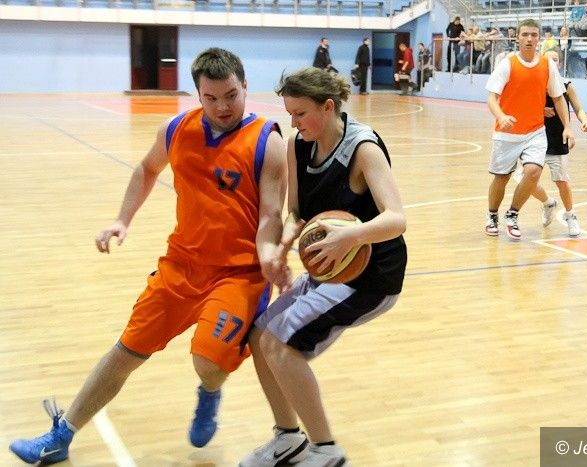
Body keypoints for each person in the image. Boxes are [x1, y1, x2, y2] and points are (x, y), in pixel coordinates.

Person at [9, 47, 289, 464]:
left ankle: (209, 392)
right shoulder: (176, 130)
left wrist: (268, 253)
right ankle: (61, 435)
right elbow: (147, 169)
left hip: (239, 274)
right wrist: (122, 220)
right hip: (181, 266)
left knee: (208, 361)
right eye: (211, 98)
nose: (222, 107)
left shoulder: (268, 141)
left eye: (231, 95)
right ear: (198, 95)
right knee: (126, 350)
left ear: (246, 86)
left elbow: (271, 213)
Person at [239, 67, 407, 467]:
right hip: (329, 269)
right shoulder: (299, 145)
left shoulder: (362, 148)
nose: (293, 123)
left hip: (371, 275)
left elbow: (397, 218)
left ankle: (326, 449)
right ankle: (288, 438)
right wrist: (281, 249)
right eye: (290, 114)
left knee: (280, 344)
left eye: (300, 114)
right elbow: (297, 212)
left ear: (328, 107)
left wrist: (352, 236)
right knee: (259, 336)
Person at [484, 18, 574, 241]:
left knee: (533, 172)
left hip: (535, 132)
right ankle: (492, 215)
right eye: (525, 34)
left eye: (534, 35)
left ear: (539, 38)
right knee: (501, 178)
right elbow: (492, 98)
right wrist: (501, 116)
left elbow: (559, 98)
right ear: (517, 38)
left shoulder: (547, 65)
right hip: (506, 133)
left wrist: (568, 127)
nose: (529, 39)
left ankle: (512, 214)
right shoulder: (507, 63)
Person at [531, 50, 587, 237]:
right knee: (526, 180)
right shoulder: (534, 83)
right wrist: (540, 110)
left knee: (561, 181)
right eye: (548, 59)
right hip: (535, 139)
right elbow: (524, 107)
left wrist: (584, 121)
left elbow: (578, 108)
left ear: (559, 63)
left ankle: (570, 215)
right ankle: (548, 202)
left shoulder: (566, 85)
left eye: (555, 59)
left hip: (558, 139)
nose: (552, 62)